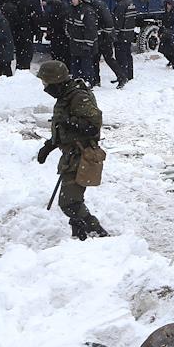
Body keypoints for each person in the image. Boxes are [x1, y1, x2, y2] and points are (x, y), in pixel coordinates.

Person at [35, 61, 109, 240]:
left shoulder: (77, 96)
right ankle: (79, 233)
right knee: (73, 198)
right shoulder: (65, 95)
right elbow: (62, 128)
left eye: (46, 82)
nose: (45, 87)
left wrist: (69, 121)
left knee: (69, 202)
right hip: (71, 154)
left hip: (82, 155)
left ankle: (97, 232)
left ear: (56, 81)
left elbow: (93, 126)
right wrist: (49, 146)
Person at [64, 0, 99, 85]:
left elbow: (91, 29)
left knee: (86, 67)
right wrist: (70, 36)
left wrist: (88, 44)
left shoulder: (87, 11)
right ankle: (77, 83)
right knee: (75, 68)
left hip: (84, 47)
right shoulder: (72, 10)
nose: (72, 1)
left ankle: (88, 83)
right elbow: (68, 25)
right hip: (75, 45)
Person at [91, 0, 125, 86]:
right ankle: (121, 76)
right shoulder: (101, 6)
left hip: (102, 37)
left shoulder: (94, 8)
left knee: (96, 59)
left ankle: (96, 80)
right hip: (105, 37)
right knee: (108, 59)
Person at [112, 0, 138, 85]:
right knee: (128, 55)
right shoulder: (131, 3)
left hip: (121, 35)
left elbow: (117, 22)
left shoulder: (121, 5)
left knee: (121, 57)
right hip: (129, 34)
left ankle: (122, 76)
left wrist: (114, 35)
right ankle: (129, 75)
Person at [9, 0, 38, 70]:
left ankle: (19, 69)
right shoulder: (30, 1)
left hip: (17, 30)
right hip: (27, 30)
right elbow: (34, 18)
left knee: (20, 52)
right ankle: (24, 70)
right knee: (27, 53)